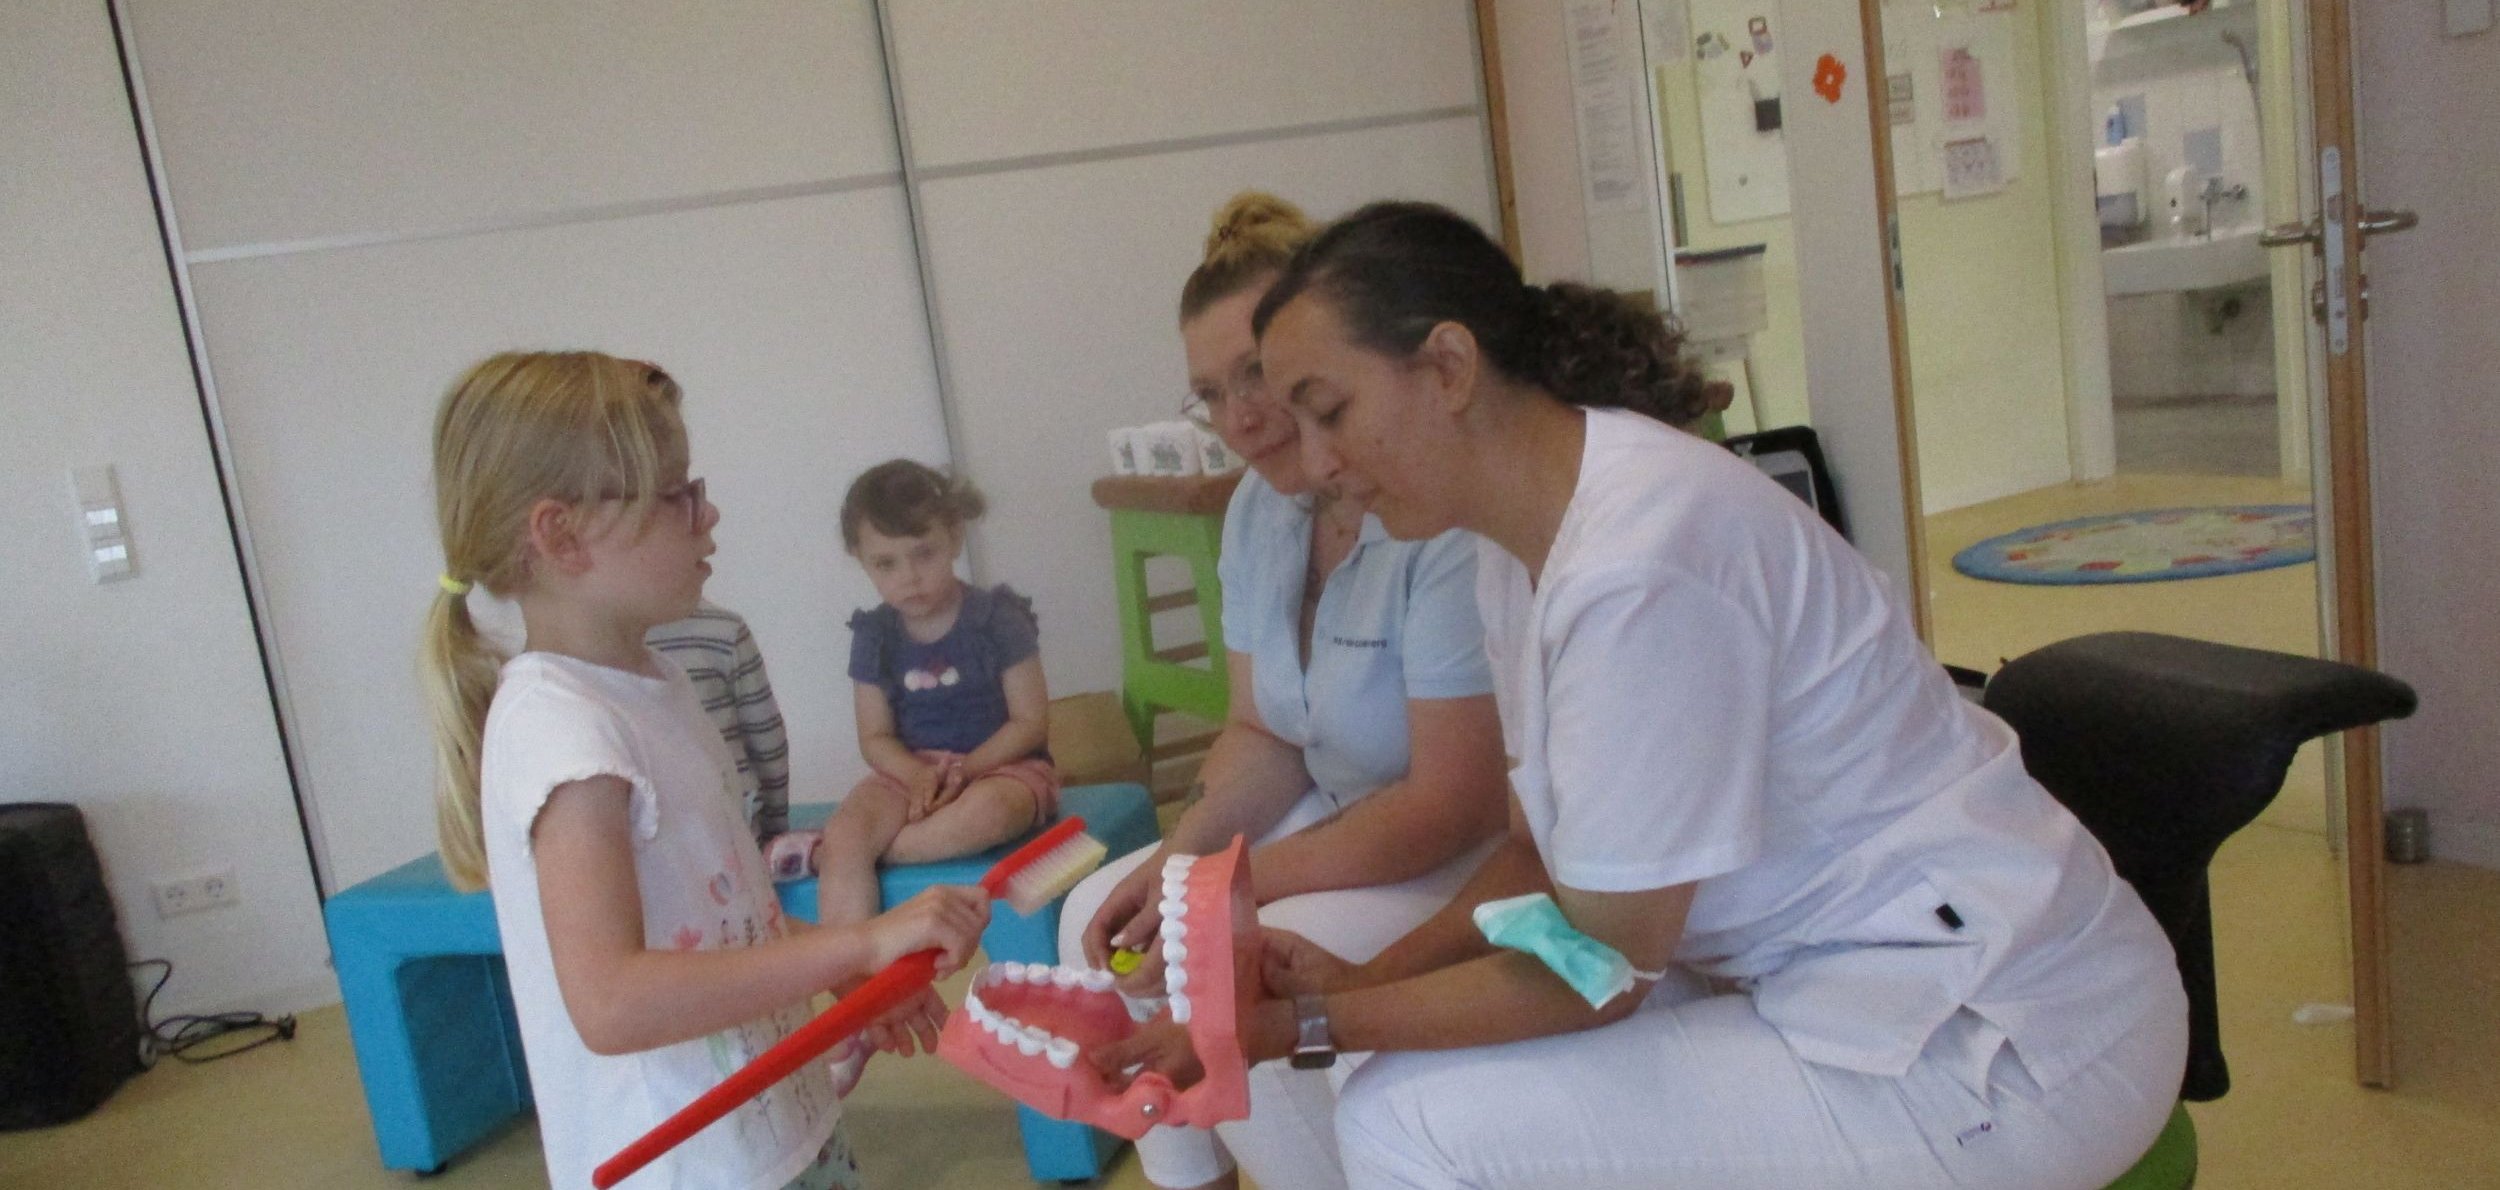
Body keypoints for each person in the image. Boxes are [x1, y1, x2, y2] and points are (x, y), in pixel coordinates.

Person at [1109, 201, 2190, 1189]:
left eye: (1329, 411)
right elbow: (1541, 863)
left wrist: (1305, 1024)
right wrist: (1357, 986)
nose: (1314, 462)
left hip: (2002, 1033)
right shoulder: (1517, 544)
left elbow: (1600, 971)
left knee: (1407, 1120)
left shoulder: (1638, 561)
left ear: (1447, 367)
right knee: (1402, 1077)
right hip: (1823, 977)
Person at [420, 351, 988, 1190]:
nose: (707, 513)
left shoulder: (656, 683)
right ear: (562, 536)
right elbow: (611, 1001)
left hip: (775, 1133)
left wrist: (848, 969)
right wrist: (862, 939)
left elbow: (727, 927)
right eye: (675, 495)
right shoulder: (563, 729)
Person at [1059, 193, 1511, 1190]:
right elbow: (1263, 732)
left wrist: (1230, 888)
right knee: (1096, 919)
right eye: (1209, 393)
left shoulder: (1431, 514)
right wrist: (1180, 859)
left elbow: (1453, 801)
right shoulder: (1259, 513)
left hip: (1454, 847)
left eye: (1257, 376)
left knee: (1224, 960)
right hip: (1343, 809)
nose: (1239, 418)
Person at [812, 460, 1058, 934]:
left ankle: (871, 851)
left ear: (955, 538)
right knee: (846, 830)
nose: (909, 577)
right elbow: (875, 737)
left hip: (1002, 767)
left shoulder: (998, 618)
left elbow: (1030, 723)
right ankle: (851, 963)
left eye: (923, 554)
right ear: (861, 560)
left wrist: (968, 769)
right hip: (910, 773)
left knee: (990, 814)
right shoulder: (874, 635)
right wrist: (917, 774)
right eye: (886, 563)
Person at [648, 599, 792, 845]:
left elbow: (767, 738)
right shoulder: (723, 629)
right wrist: (775, 830)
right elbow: (767, 742)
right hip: (729, 824)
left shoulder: (723, 630)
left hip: (725, 824)